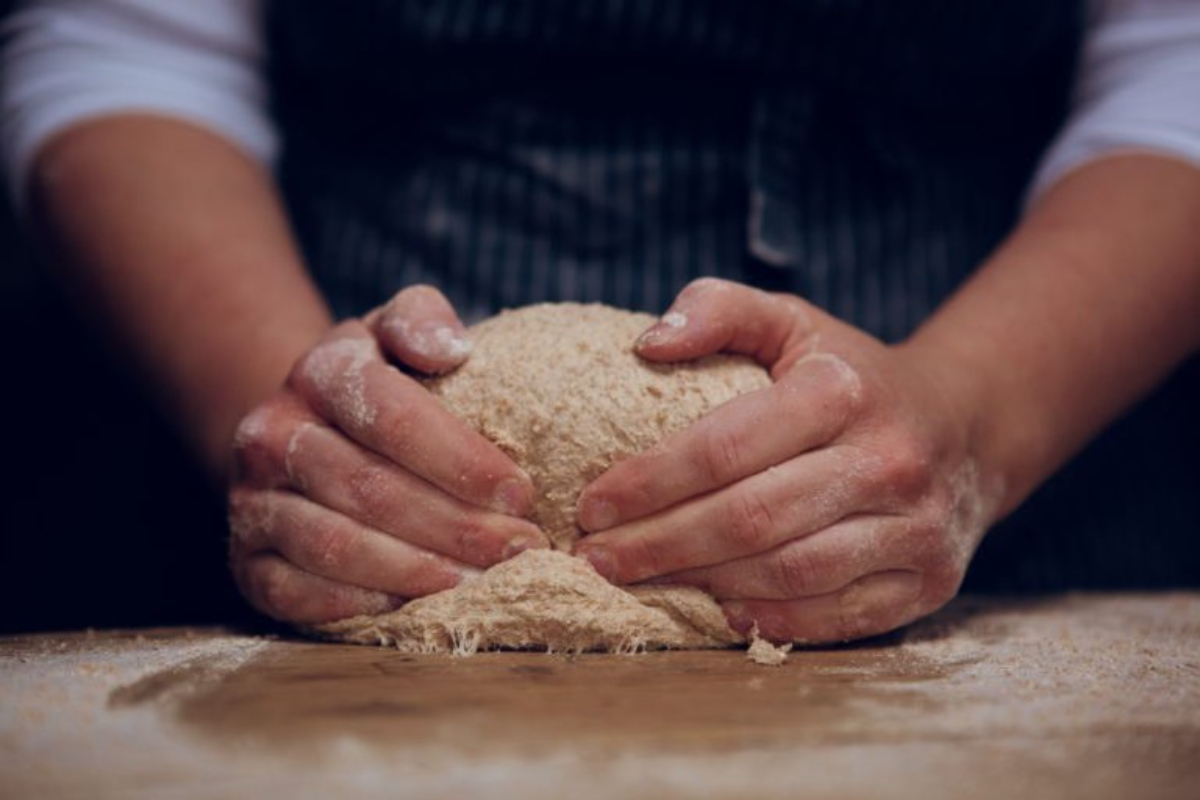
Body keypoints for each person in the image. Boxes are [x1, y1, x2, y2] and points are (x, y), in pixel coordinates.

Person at [3, 0, 1198, 643]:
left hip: (1005, 390)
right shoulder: (303, 425)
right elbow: (126, 45)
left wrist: (974, 424)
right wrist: (289, 421)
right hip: (336, 349)